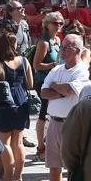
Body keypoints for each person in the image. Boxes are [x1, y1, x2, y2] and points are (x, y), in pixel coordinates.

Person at [35, 34, 90, 181]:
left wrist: (58, 87)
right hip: (54, 121)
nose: (62, 50)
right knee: (54, 164)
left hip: (72, 123)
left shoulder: (82, 70)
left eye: (66, 47)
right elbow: (43, 91)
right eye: (62, 47)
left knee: (74, 166)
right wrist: (62, 89)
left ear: (76, 50)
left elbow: (69, 90)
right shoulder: (57, 69)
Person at [0, 32, 32, 181]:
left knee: (4, 143)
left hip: (5, 103)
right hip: (21, 101)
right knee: (19, 142)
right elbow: (30, 84)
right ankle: (18, 176)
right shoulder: (24, 60)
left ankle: (7, 178)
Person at [31, 12, 64, 163]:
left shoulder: (57, 40)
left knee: (53, 112)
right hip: (42, 82)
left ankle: (49, 142)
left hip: (54, 81)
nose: (58, 26)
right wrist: (53, 65)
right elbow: (36, 65)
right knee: (44, 112)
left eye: (61, 23)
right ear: (47, 24)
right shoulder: (43, 42)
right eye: (55, 23)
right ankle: (40, 147)